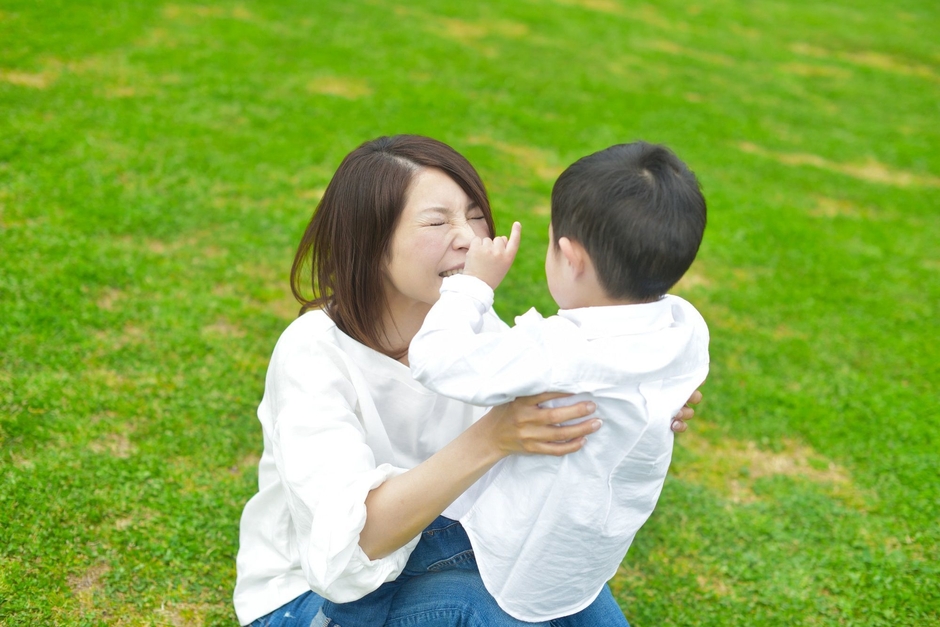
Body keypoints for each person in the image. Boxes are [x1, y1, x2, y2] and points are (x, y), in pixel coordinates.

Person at [233, 135, 701, 627]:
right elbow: (358, 543)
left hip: (439, 550)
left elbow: (556, 402)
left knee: (573, 603)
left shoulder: (470, 330)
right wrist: (493, 437)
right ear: (368, 240)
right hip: (313, 598)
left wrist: (633, 398)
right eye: (438, 222)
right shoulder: (314, 351)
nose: (468, 238)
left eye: (475, 215)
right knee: (484, 609)